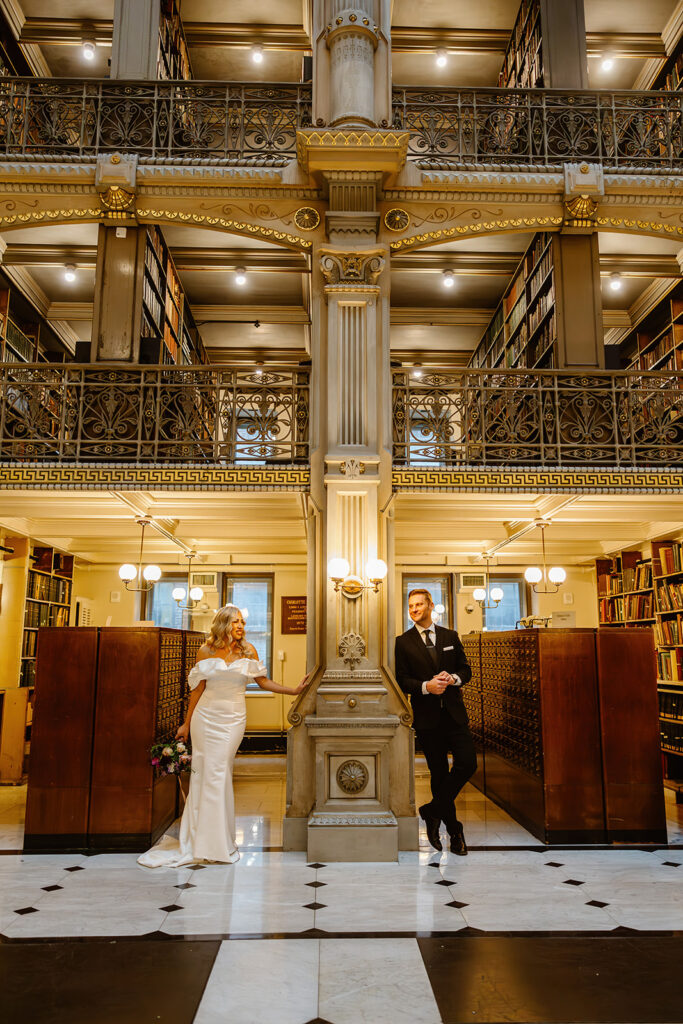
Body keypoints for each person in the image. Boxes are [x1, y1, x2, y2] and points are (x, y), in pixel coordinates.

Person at [138, 604, 308, 867]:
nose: (240, 627)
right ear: (223, 624)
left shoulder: (248, 650)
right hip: (205, 718)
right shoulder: (205, 650)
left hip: (233, 719)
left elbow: (263, 682)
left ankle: (218, 841)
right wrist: (186, 724)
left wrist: (293, 691)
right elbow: (198, 690)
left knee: (219, 771)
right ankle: (202, 840)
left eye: (242, 622)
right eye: (235, 622)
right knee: (206, 774)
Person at [394, 588, 476, 856]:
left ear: (431, 605)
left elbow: (466, 669)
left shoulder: (450, 636)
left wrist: (453, 678)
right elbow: (401, 679)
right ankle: (455, 833)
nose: (414, 609)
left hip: (454, 714)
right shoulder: (402, 642)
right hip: (428, 719)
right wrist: (427, 686)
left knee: (467, 764)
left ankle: (431, 810)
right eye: (410, 606)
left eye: (419, 604)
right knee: (439, 775)